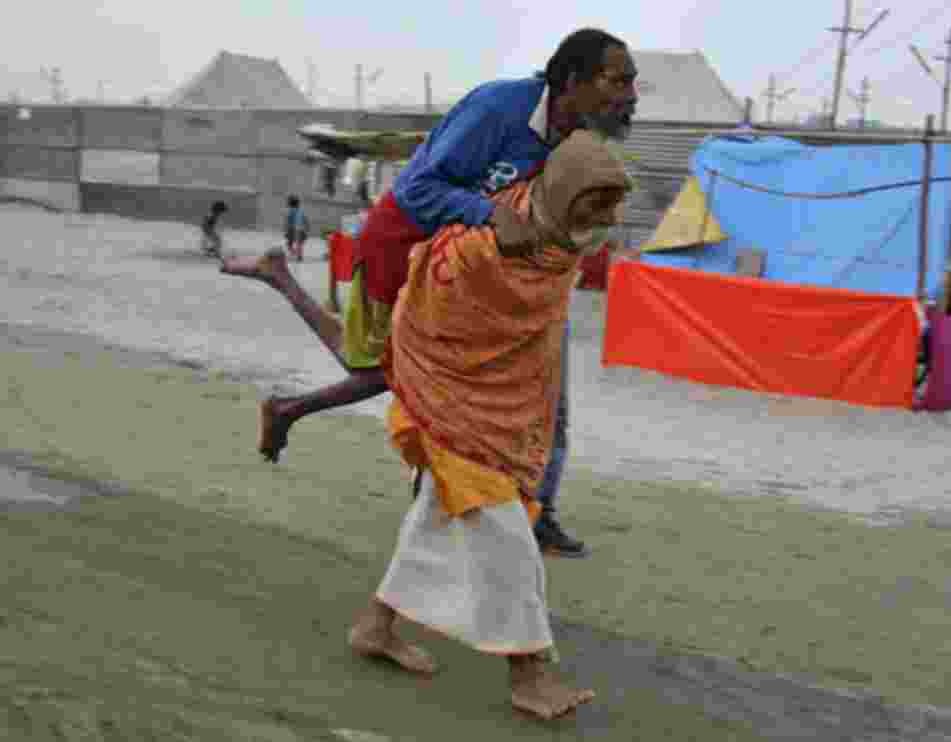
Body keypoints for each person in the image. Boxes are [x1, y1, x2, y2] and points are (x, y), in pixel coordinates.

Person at [221, 27, 639, 556]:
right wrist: (489, 212)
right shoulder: (498, 108)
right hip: (404, 245)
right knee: (390, 375)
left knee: (533, 392)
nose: (631, 94)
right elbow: (418, 188)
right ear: (573, 81)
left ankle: (533, 514)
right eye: (618, 80)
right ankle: (291, 386)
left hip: (475, 269)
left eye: (633, 82)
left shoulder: (579, 135)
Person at [348, 130, 631, 720]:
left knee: (433, 517)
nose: (608, 216)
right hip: (448, 397)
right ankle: (529, 673)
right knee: (509, 542)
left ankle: (376, 625)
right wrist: (455, 377)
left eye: (612, 202)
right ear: (563, 191)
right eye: (595, 202)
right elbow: (435, 297)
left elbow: (527, 329)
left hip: (498, 409)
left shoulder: (557, 244)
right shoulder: (485, 239)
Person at [284, 195, 311, 262]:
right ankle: (299, 256)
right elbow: (306, 219)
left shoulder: (290, 211)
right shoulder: (301, 211)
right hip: (301, 230)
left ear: (290, 203)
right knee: (299, 244)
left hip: (293, 229)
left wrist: (286, 230)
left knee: (290, 244)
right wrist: (307, 228)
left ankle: (295, 253)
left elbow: (288, 221)